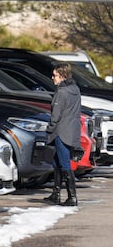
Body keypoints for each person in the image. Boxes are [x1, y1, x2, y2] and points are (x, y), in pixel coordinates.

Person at [43, 62, 82, 206]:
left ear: (62, 76)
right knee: (57, 162)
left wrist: (49, 128)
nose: (52, 78)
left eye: (55, 75)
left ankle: (72, 197)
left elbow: (56, 115)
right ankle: (56, 194)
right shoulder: (75, 89)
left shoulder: (61, 92)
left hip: (60, 132)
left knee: (64, 163)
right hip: (71, 131)